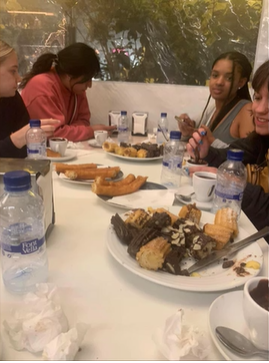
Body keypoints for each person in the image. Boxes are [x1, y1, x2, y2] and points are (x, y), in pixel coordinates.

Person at [186, 60, 269, 242]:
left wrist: (233, 184)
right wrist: (208, 152)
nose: (260, 109)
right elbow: (232, 155)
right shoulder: (261, 138)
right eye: (258, 98)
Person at [20, 43, 116, 142]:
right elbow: (54, 135)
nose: (89, 85)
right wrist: (91, 131)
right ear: (68, 75)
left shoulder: (75, 88)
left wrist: (69, 131)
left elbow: (84, 120)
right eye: (86, 79)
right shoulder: (41, 87)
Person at [177, 51, 254, 148]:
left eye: (229, 78)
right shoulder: (212, 109)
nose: (219, 82)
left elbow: (250, 157)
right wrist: (187, 133)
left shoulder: (247, 111)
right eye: (215, 75)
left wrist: (212, 141)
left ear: (241, 82)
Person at [0, 39, 59, 158]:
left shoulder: (12, 98)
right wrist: (16, 140)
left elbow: (25, 151)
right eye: (13, 71)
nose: (19, 78)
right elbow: (18, 143)